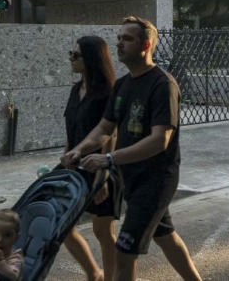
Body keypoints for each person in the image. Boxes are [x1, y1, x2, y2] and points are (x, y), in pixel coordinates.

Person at [61, 17, 201, 281]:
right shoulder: (123, 85)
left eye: (127, 39)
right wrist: (78, 150)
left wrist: (109, 158)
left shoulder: (162, 84)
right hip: (131, 179)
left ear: (146, 45)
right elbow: (104, 128)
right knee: (166, 236)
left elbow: (160, 140)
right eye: (118, 38)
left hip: (156, 181)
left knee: (124, 251)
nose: (119, 43)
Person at [62, 36, 119, 281]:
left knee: (103, 232)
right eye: (71, 54)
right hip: (74, 167)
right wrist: (64, 159)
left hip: (100, 168)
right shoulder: (76, 90)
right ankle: (93, 273)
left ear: (92, 60)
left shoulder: (107, 93)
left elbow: (110, 136)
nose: (71, 59)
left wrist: (101, 177)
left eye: (77, 55)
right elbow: (71, 129)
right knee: (63, 227)